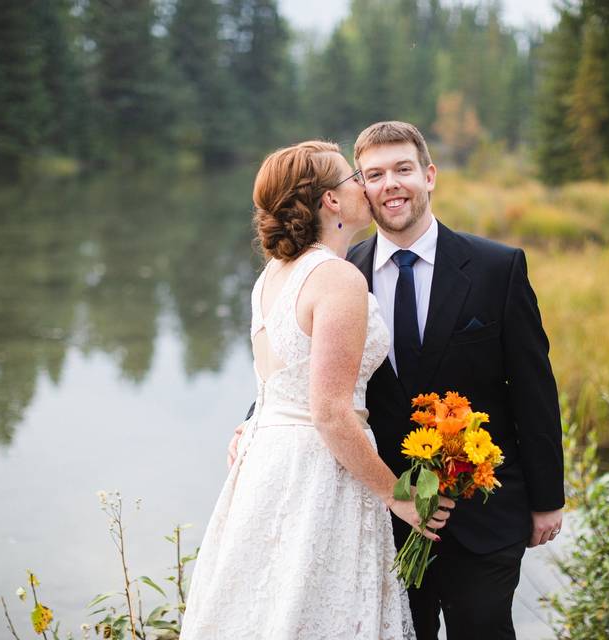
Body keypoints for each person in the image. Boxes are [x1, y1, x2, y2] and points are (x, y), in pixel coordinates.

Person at [181, 140, 453, 640]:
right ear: (331, 200)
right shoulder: (337, 279)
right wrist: (400, 498)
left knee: (273, 607)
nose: (364, 187)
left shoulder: (271, 277)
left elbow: (279, 385)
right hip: (321, 473)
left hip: (267, 464)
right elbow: (329, 412)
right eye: (354, 178)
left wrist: (250, 423)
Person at [347, 121, 565, 640]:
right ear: (360, 188)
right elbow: (310, 374)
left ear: (429, 175)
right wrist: (253, 423)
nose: (390, 184)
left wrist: (547, 498)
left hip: (485, 511)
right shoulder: (342, 274)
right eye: (374, 175)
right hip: (384, 515)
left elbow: (534, 388)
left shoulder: (497, 267)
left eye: (403, 169)